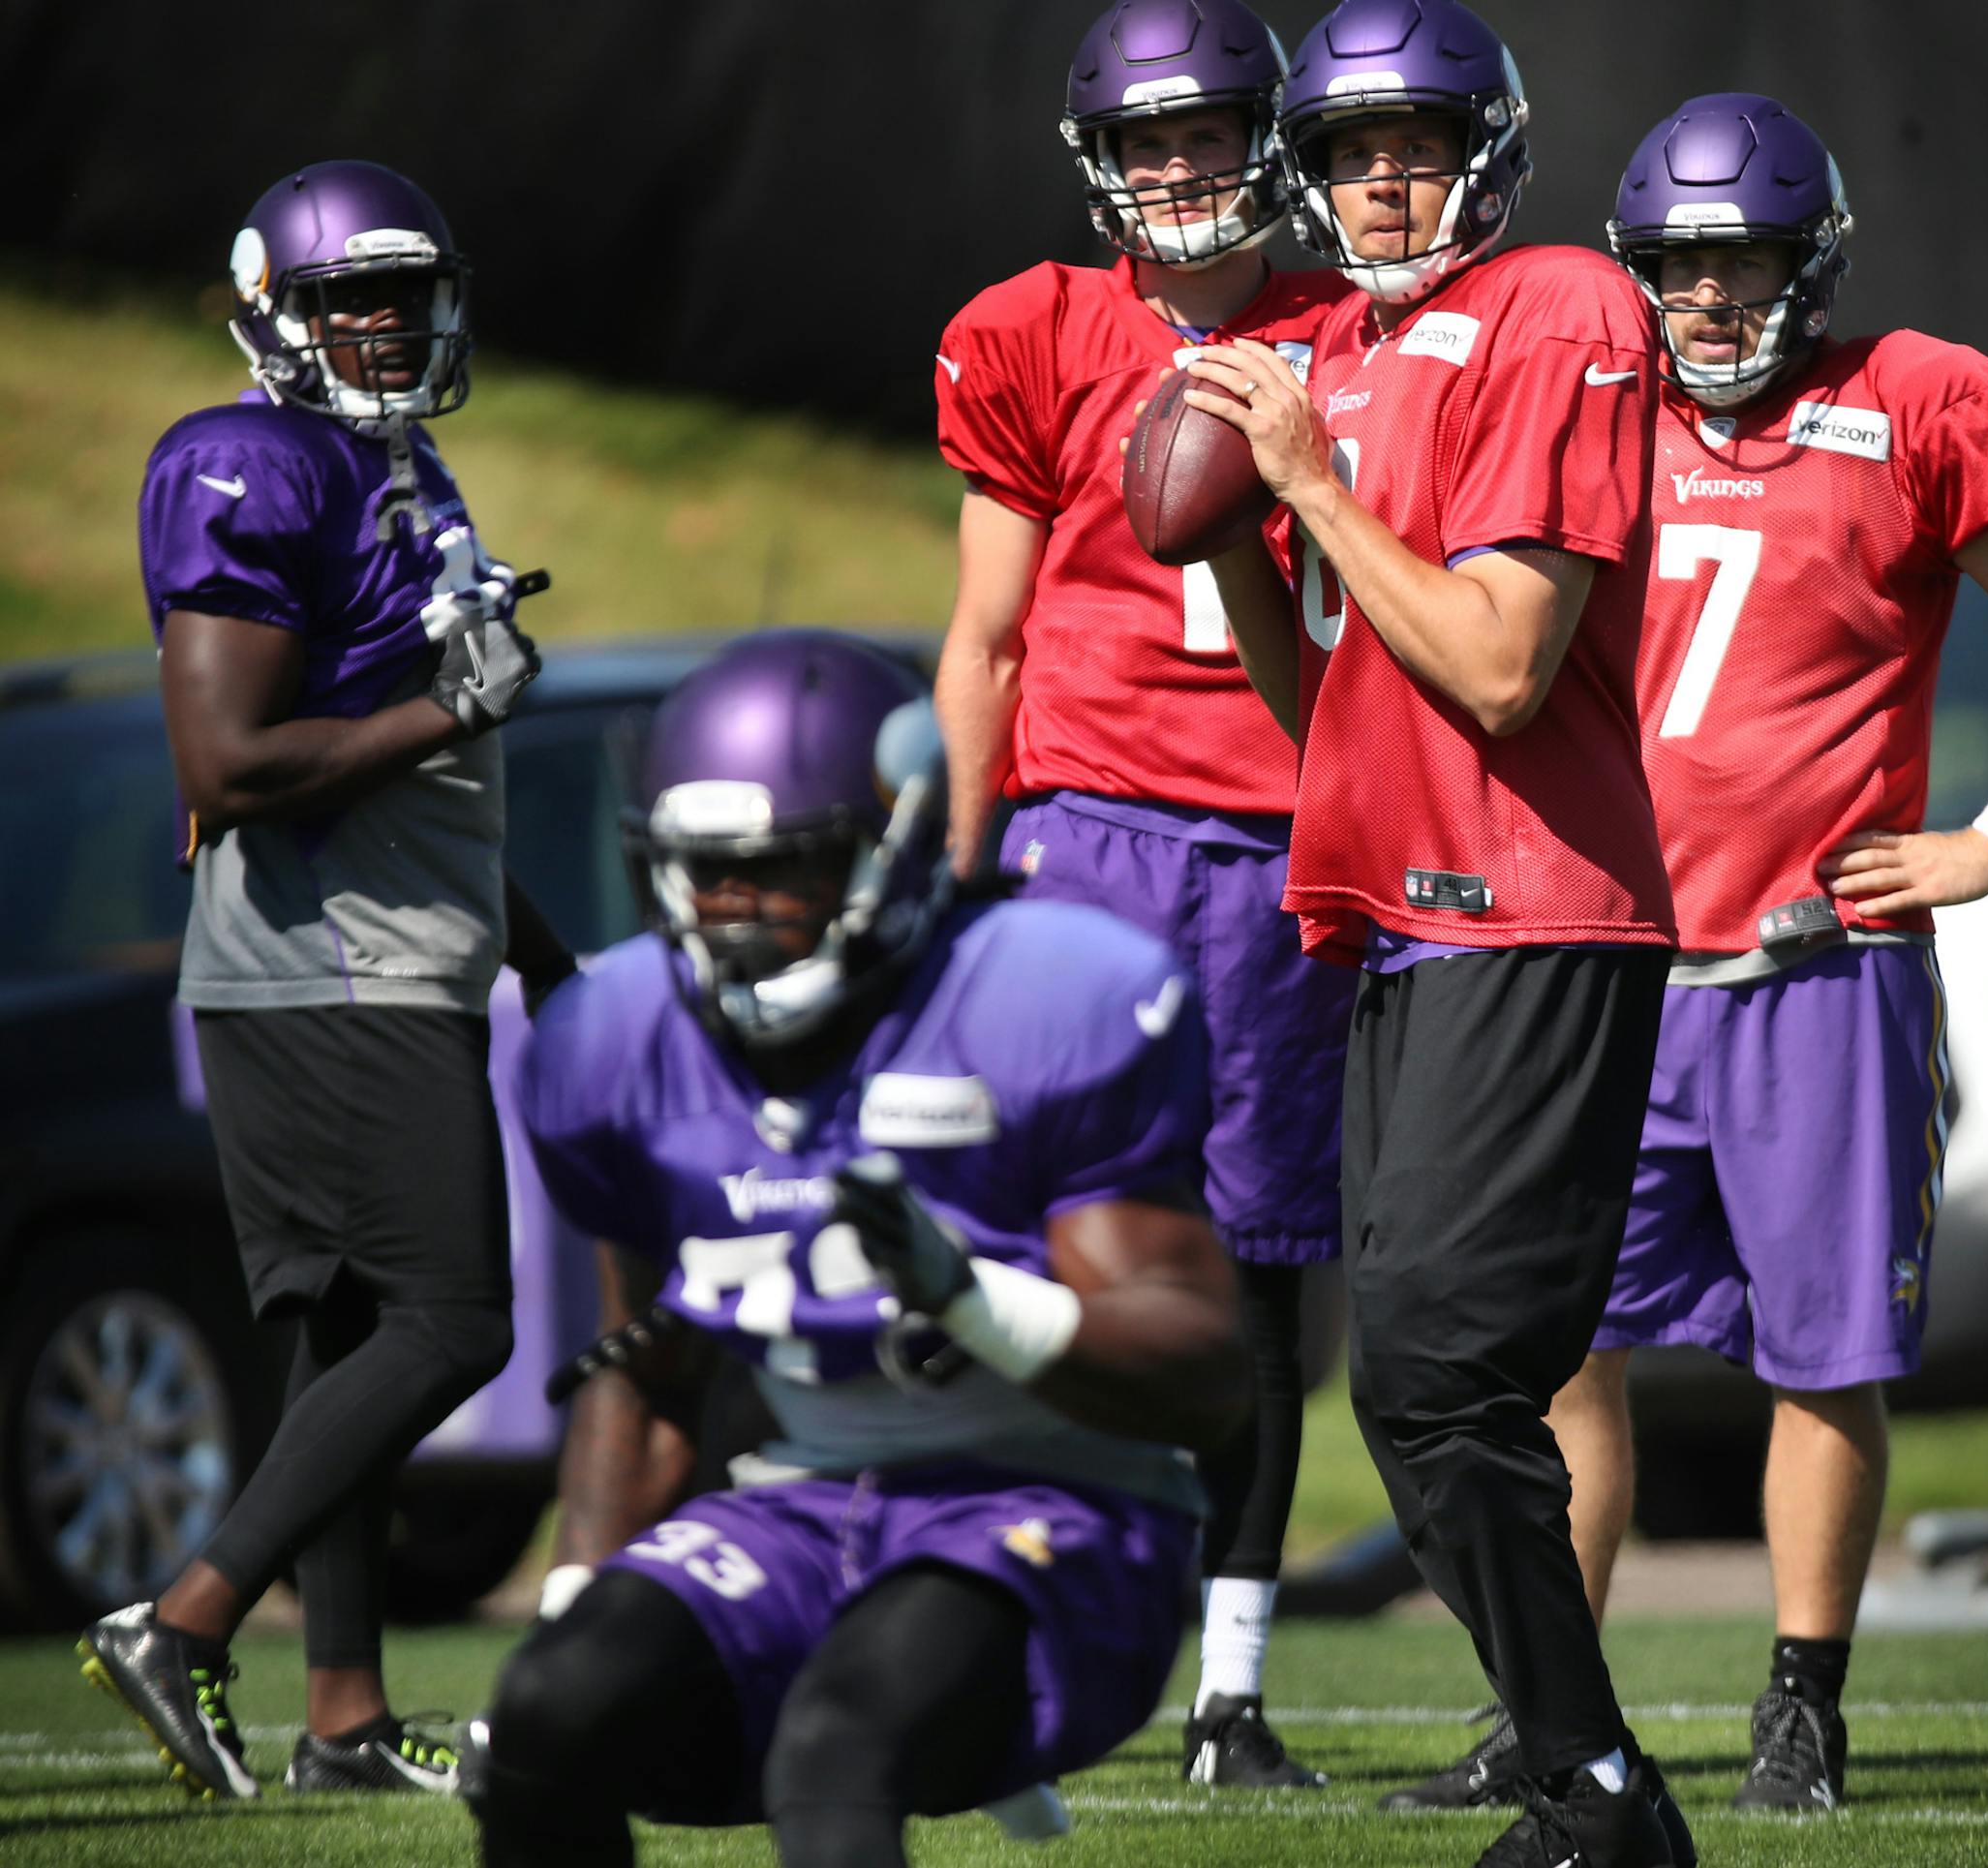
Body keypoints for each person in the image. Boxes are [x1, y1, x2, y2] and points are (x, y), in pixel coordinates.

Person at [1392, 94, 1988, 1820]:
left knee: (1823, 1348)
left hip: (1814, 965)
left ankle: (1803, 1697)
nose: (1708, 301)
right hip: (1607, 966)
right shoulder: (1585, 417)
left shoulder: (1912, 400)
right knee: (1564, 1355)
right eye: (1681, 268)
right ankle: (1550, 1704)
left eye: (1744, 263)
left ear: (1813, 263)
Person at [1169, 2, 1701, 1861]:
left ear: (1487, 143)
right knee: (1403, 1386)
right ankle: (1587, 1781)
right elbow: (1310, 697)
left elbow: (1496, 662)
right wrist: (1241, 525)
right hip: (1402, 912)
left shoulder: (1561, 304)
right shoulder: (1341, 347)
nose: (1376, 181)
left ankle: (1597, 1786)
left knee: (1438, 1369)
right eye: (1342, 152)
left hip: (1535, 902)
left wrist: (1307, 478)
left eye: (1410, 142)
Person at [465, 630, 1250, 1868]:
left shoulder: (1036, 1000)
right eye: (701, 877)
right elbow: (653, 1365)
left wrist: (971, 1300)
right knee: (547, 1718)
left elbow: (1210, 1378)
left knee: (838, 1744)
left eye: (782, 873)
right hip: (805, 1500)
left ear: (893, 844)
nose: (734, 917)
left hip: (1062, 1504)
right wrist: (579, 1605)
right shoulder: (620, 1045)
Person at [77, 158, 571, 1801]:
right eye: (345, 296)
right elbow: (228, 756)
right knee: (453, 1318)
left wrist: (546, 948)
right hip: (322, 967)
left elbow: (424, 772)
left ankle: (344, 1719)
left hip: (386, 956)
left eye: (403, 292)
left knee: (350, 1332)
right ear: (270, 310)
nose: (381, 323)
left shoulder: (396, 462)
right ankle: (188, 1614)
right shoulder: (250, 457)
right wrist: (457, 707)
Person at [933, 0, 1353, 1789]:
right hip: (1081, 826)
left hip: (1279, 835)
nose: (1180, 174)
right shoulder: (1029, 330)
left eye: (1210, 137)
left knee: (1258, 1266)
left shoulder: (1361, 334)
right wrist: (955, 878)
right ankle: (998, 1637)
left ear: (1269, 138)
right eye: (1151, 142)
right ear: (1105, 158)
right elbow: (984, 631)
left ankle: (1231, 1688)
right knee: (1031, 1248)